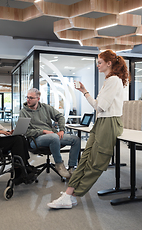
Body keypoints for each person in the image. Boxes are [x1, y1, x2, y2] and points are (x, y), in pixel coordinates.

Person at [47, 49, 130, 209]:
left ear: (109, 63)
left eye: (100, 62)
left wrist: (85, 93)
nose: (97, 65)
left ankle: (74, 194)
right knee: (85, 160)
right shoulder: (110, 80)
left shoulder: (113, 80)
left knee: (96, 163)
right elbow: (100, 107)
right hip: (101, 123)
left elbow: (100, 107)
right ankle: (68, 194)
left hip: (109, 123)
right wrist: (85, 92)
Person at [19, 88, 81, 178]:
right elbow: (25, 132)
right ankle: (59, 165)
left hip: (52, 135)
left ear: (38, 99)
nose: (28, 100)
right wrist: (43, 131)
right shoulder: (23, 112)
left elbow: (60, 116)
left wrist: (62, 130)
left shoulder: (45, 107)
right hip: (35, 139)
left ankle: (72, 167)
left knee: (76, 140)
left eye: (31, 98)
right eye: (27, 97)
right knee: (54, 137)